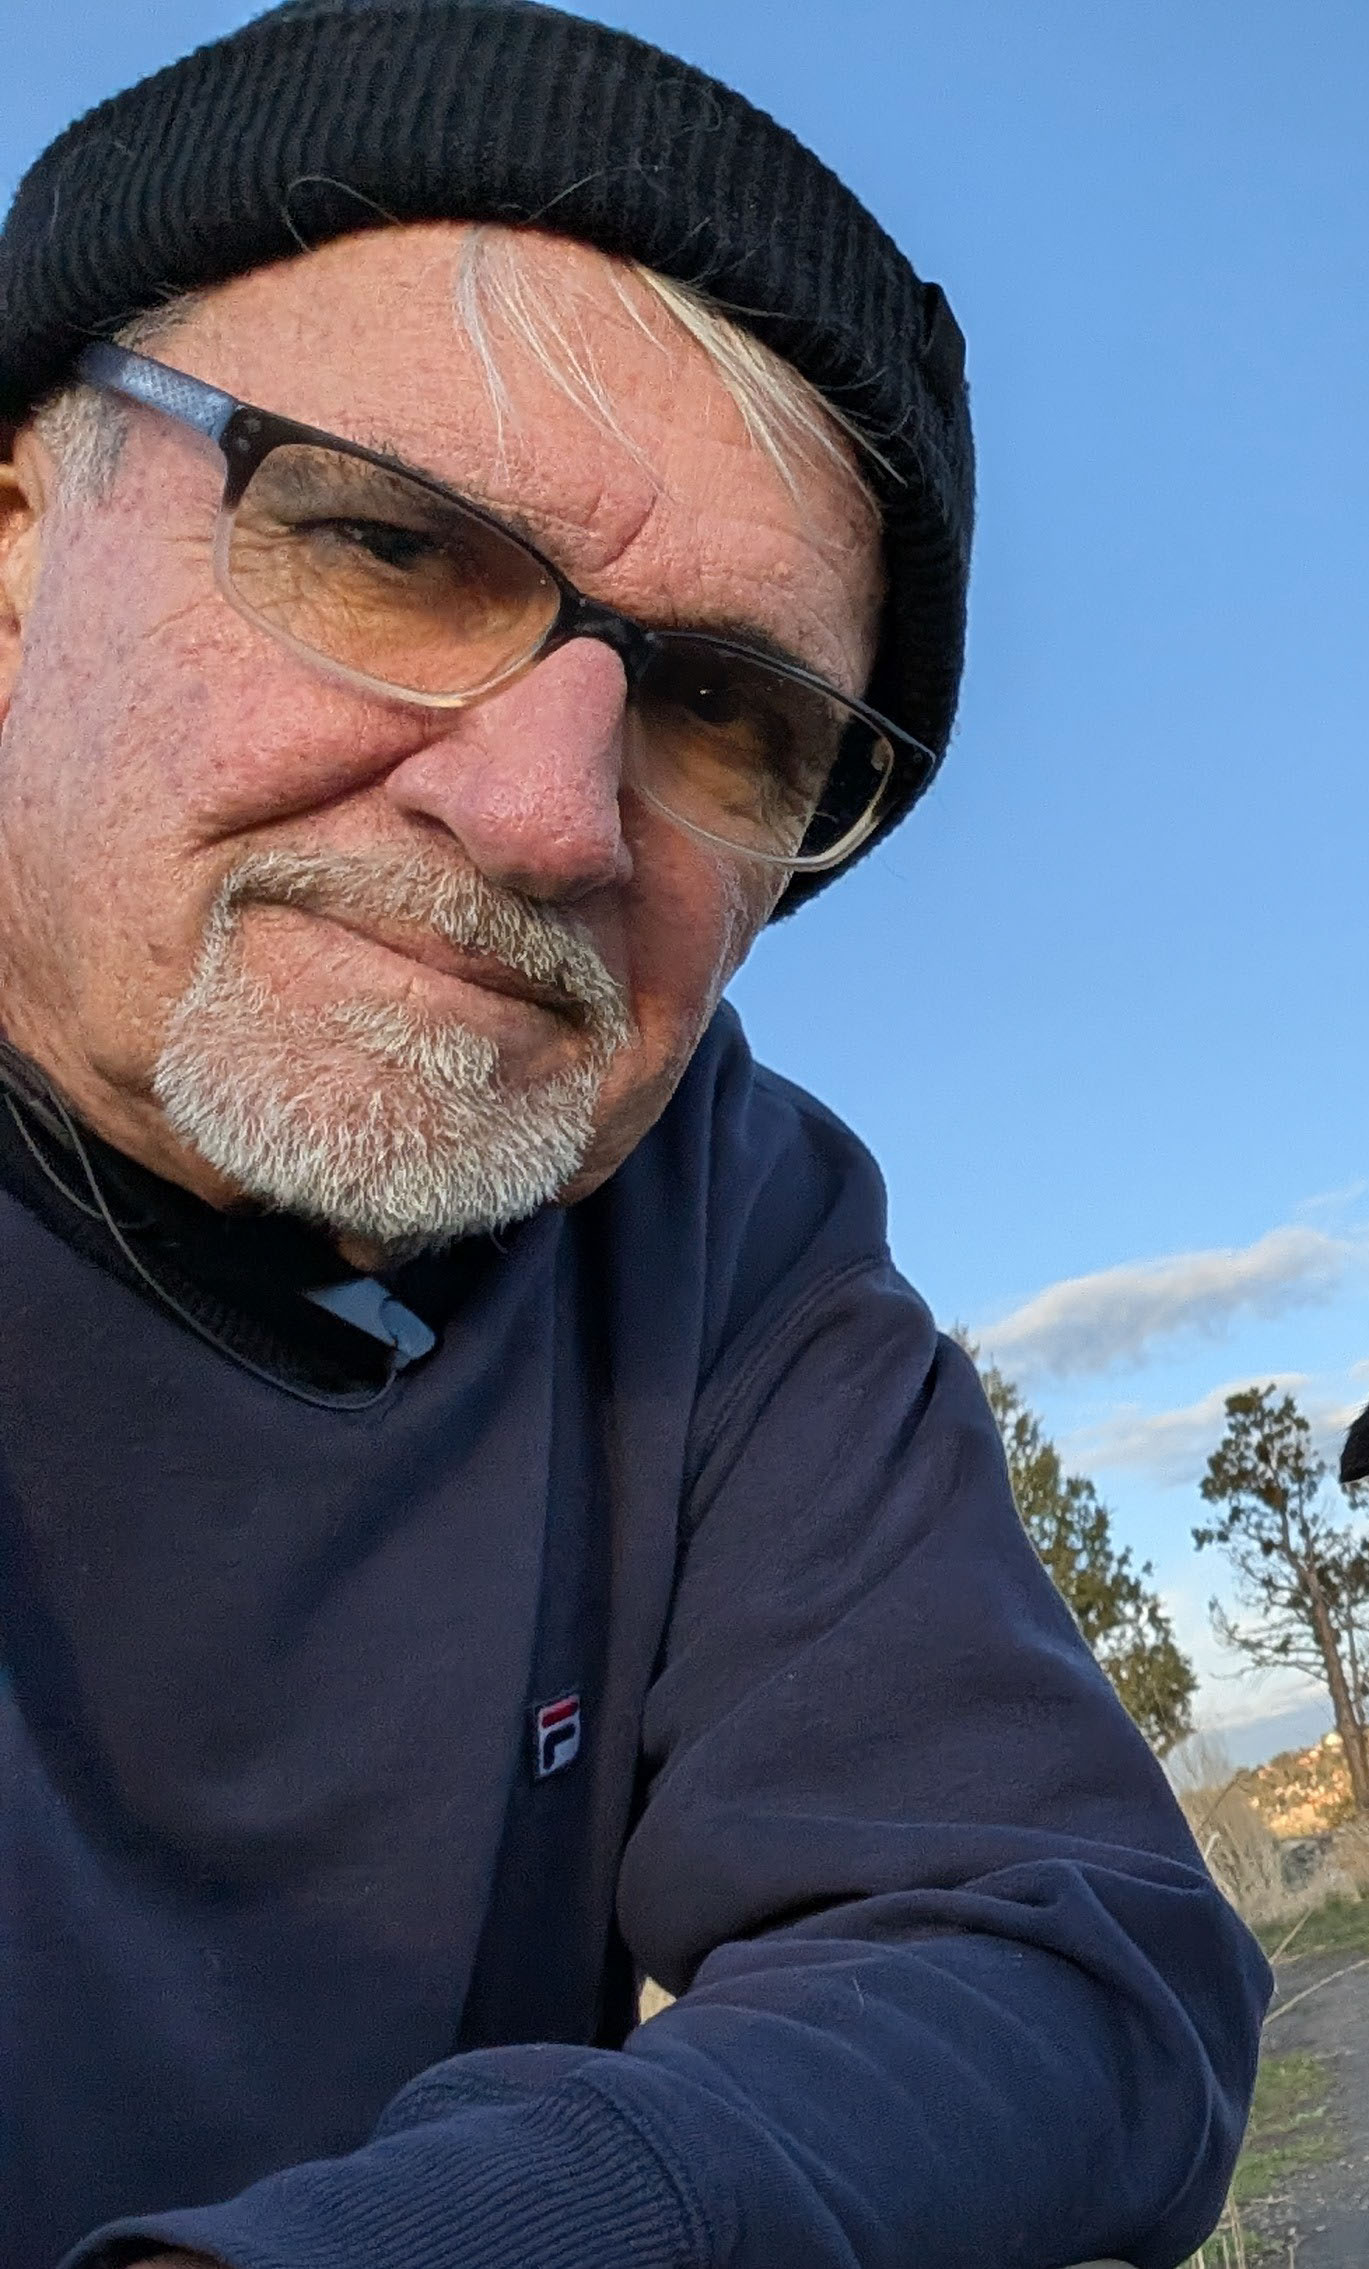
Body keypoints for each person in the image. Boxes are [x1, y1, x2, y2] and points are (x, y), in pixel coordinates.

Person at [0, 4, 1268, 2264]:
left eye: (725, 711)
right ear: (17, 546)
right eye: (389, 547)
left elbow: (1069, 1959)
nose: (544, 815)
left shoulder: (709, 1218)